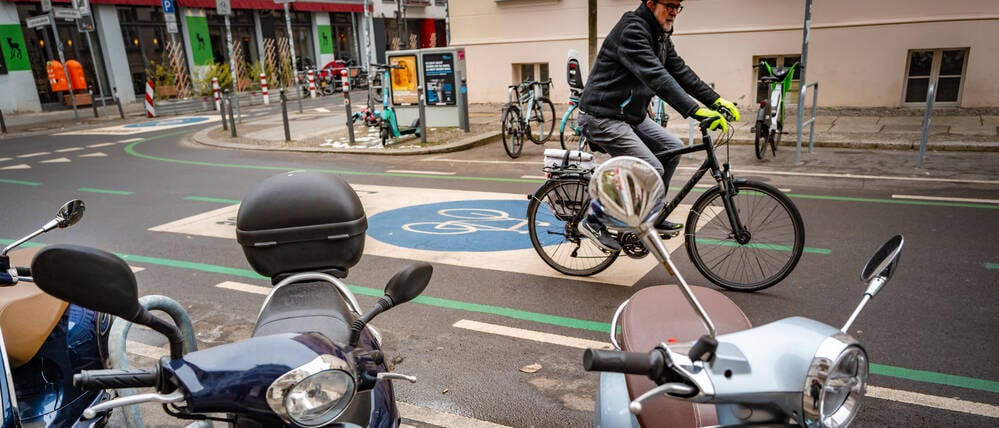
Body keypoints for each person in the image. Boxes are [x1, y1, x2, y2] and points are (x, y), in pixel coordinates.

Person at [577, 0, 740, 250]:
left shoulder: (660, 36)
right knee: (650, 168)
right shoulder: (632, 30)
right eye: (670, 4)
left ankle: (650, 215)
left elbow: (680, 72)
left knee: (672, 149)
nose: (674, 11)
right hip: (603, 115)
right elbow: (657, 76)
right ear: (651, 3)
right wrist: (695, 110)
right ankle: (593, 220)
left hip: (630, 114)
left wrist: (716, 100)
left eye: (678, 6)